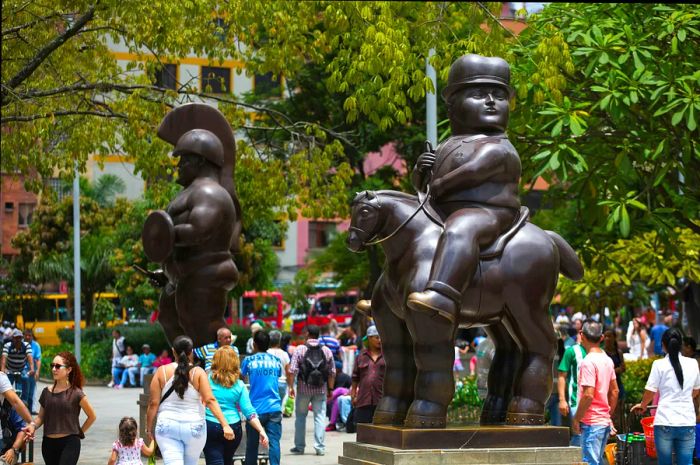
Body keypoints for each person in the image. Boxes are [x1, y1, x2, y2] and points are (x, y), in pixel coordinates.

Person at [407, 54, 521, 324]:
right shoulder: (451, 143)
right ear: (452, 106)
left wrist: (440, 184)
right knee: (403, 228)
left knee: (462, 227)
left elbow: (474, 171)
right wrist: (420, 173)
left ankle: (442, 294)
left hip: (488, 213)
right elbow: (425, 189)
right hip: (443, 209)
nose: (491, 101)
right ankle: (387, 294)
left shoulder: (498, 145)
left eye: (499, 95)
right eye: (480, 94)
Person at [146, 335, 233, 465]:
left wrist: (148, 428)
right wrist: (225, 425)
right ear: (191, 351)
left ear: (173, 351)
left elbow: (153, 403)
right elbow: (209, 400)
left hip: (167, 426)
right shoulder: (198, 372)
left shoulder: (161, 371)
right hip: (194, 426)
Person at [631, 328, 700, 465]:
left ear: (663, 345)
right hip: (686, 421)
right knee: (686, 462)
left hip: (664, 421)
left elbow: (650, 391)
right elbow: (696, 390)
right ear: (680, 344)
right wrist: (684, 397)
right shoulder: (693, 364)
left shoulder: (659, 365)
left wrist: (642, 405)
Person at [24, 351, 97, 465]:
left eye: (58, 366)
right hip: (48, 444)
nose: (54, 369)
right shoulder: (46, 392)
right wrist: (32, 426)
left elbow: (92, 416)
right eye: (52, 365)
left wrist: (79, 433)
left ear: (69, 370)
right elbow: (40, 418)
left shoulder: (76, 393)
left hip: (70, 443)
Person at [204, 346, 268, 465]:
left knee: (214, 460)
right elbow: (249, 411)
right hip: (233, 427)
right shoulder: (240, 385)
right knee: (228, 460)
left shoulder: (207, 380)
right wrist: (261, 430)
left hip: (210, 425)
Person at [572, 320, 618, 465]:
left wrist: (576, 418)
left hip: (591, 423)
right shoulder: (608, 360)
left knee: (590, 462)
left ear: (581, 335)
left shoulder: (588, 362)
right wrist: (607, 416)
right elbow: (615, 391)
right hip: (603, 423)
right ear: (602, 338)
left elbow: (588, 395)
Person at [288, 324, 336, 456]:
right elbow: (332, 372)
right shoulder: (326, 350)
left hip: (304, 389)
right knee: (320, 417)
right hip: (320, 390)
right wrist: (330, 389)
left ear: (307, 334)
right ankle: (319, 447)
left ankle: (299, 447)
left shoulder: (300, 349)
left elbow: (292, 370)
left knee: (300, 417)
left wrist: (291, 387)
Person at [241, 331, 283, 465]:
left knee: (252, 446)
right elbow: (278, 375)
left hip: (255, 410)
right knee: (274, 443)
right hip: (275, 408)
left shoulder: (248, 361)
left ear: (254, 344)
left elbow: (242, 378)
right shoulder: (276, 361)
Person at [350, 325, 385, 424]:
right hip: (363, 400)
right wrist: (353, 395)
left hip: (382, 401)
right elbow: (355, 377)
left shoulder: (387, 356)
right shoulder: (361, 356)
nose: (379, 340)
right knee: (362, 430)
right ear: (369, 338)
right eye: (377, 337)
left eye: (381, 337)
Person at [558, 329, 587, 446]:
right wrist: (562, 400)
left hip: (596, 404)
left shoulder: (599, 352)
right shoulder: (572, 351)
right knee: (578, 434)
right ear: (581, 333)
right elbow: (562, 376)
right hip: (576, 400)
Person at [1, 329, 33, 406]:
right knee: (4, 384)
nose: (18, 340)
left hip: (22, 369)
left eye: (19, 338)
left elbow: (29, 357)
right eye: (16, 338)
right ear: (13, 338)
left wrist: (32, 368)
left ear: (22, 338)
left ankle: (24, 401)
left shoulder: (26, 345)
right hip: (10, 369)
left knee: (25, 378)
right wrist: (2, 371)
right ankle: (4, 402)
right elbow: (4, 359)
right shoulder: (7, 346)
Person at [603, 329, 626, 430]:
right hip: (605, 384)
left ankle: (618, 430)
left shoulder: (618, 352)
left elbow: (623, 367)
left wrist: (613, 371)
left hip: (617, 383)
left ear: (614, 338)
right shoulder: (602, 352)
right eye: (606, 336)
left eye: (609, 336)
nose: (607, 339)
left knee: (618, 408)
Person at [267, 330, 292, 406]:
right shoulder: (284, 354)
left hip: (269, 383)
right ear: (279, 341)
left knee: (269, 406)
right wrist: (290, 386)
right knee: (277, 406)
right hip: (282, 383)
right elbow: (288, 372)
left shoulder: (266, 352)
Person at [23, 329, 40, 414]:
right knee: (23, 391)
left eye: (29, 335)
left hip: (32, 371)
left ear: (32, 336)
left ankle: (29, 410)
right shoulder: (20, 344)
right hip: (22, 370)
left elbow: (37, 359)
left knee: (31, 392)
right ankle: (22, 410)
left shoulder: (36, 345)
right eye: (26, 335)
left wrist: (37, 371)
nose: (27, 337)